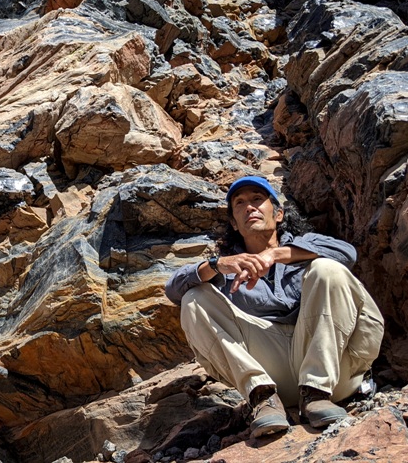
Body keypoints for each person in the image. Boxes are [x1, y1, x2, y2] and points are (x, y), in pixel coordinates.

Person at [165, 176, 384, 438]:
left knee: (328, 269)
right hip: (275, 375)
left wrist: (273, 254)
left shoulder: (307, 246)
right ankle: (262, 398)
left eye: (258, 199)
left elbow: (347, 253)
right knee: (194, 298)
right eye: (240, 203)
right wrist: (215, 264)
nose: (249, 207)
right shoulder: (228, 269)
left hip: (337, 369)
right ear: (234, 223)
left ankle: (317, 393)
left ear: (278, 214)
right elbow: (173, 289)